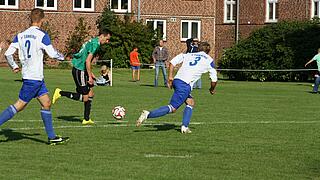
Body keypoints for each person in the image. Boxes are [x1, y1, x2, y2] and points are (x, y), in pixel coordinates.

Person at [0, 8, 69, 145]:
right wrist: (63, 57)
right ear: (42, 20)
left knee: (46, 103)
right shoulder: (42, 35)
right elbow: (52, 54)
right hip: (34, 78)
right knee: (19, 105)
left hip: (34, 77)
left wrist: (14, 65)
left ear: (31, 19)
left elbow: (8, 54)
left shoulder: (21, 35)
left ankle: (52, 137)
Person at [136, 42, 217, 133]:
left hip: (177, 80)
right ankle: (148, 114)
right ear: (208, 51)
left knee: (190, 102)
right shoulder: (209, 60)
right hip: (184, 85)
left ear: (198, 49)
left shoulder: (188, 54)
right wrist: (212, 89)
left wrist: (170, 77)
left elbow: (172, 62)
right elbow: (214, 79)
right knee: (172, 108)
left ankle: (184, 127)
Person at [52, 31, 111, 125]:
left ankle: (86, 119)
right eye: (107, 39)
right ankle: (60, 93)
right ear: (102, 36)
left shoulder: (93, 41)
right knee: (85, 98)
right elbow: (87, 61)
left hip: (82, 70)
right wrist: (90, 77)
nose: (107, 41)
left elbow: (85, 58)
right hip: (80, 70)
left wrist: (90, 73)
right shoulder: (95, 44)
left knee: (91, 94)